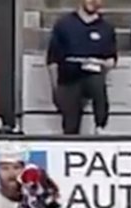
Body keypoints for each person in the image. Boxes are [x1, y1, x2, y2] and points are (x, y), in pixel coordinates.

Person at [47, 0, 117, 134]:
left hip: (93, 76)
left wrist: (98, 62)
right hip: (68, 78)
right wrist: (54, 89)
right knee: (70, 123)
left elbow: (111, 60)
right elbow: (52, 60)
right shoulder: (64, 24)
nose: (93, 1)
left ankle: (100, 127)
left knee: (97, 83)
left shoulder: (106, 28)